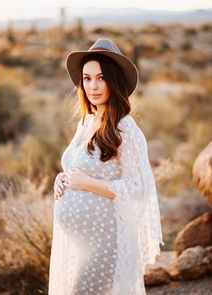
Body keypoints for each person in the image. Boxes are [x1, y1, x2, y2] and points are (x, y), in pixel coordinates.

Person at [48, 38, 164, 295]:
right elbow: (81, 167)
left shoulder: (125, 128)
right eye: (87, 79)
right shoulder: (88, 121)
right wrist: (63, 178)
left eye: (101, 78)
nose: (93, 86)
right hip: (81, 243)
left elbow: (138, 189)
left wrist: (87, 184)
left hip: (106, 242)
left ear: (114, 81)